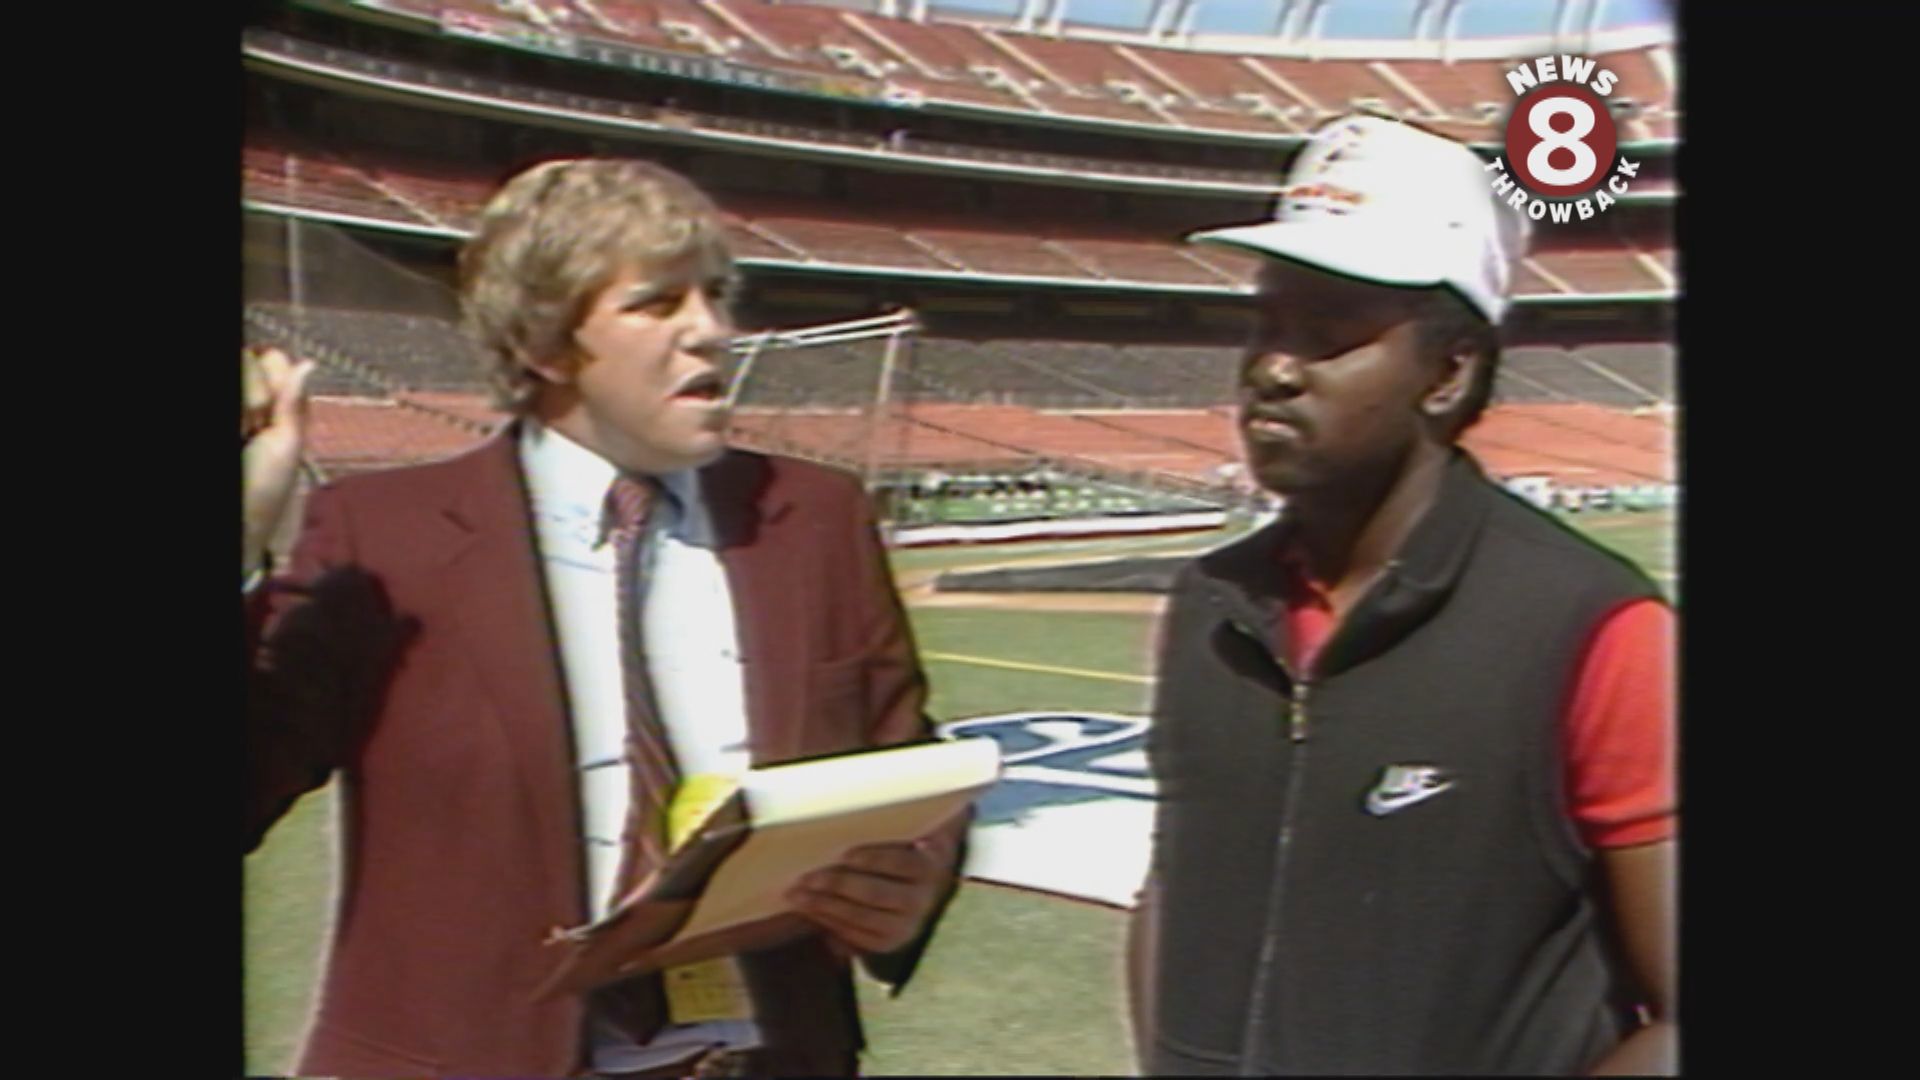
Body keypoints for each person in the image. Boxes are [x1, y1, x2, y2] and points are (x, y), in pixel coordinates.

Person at [245, 158, 965, 1078]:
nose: (712, 331)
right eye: (659, 304)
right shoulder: (387, 534)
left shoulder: (818, 519)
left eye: (715, 295)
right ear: (548, 345)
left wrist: (914, 879)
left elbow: (908, 759)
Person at [1128, 115, 1677, 1075]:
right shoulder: (1208, 605)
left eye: (1331, 332)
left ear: (1449, 371)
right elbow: (1173, 895)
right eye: (1266, 322)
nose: (1274, 368)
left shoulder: (1596, 629)